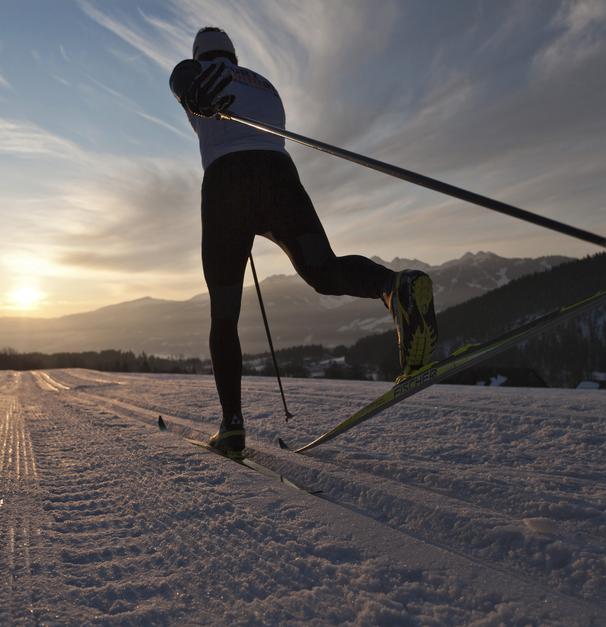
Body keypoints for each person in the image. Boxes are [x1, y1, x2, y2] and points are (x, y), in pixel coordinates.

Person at [169, 27, 438, 454]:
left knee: (225, 315)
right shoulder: (265, 85)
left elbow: (181, 77)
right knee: (323, 269)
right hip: (280, 179)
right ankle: (392, 287)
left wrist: (189, 91)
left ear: (201, 53)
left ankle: (232, 426)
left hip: (226, 187)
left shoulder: (196, 72)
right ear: (234, 55)